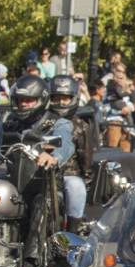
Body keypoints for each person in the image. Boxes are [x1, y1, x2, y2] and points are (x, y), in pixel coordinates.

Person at [3, 76, 75, 259]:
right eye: (20, 100)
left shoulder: (57, 123)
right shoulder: (9, 123)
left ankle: (31, 262)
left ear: (41, 100)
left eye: (29, 100)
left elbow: (66, 144)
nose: (23, 104)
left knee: (41, 204)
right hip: (12, 188)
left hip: (45, 188)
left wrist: (53, 156)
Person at [48, 76, 92, 234]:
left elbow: (85, 155)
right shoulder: (43, 122)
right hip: (42, 173)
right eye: (56, 98)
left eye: (65, 98)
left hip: (69, 173)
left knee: (75, 187)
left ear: (73, 99)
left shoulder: (80, 125)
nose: (61, 103)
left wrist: (86, 176)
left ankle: (72, 231)